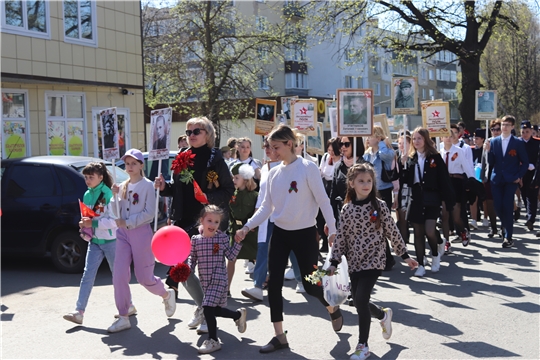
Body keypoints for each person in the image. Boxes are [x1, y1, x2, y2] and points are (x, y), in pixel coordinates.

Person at [234, 124, 340, 354]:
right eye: (269, 147)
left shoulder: (307, 168)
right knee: (274, 286)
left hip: (304, 235)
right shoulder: (273, 173)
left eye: (275, 147)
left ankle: (331, 307)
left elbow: (323, 201)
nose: (271, 151)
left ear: (289, 144)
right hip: (280, 234)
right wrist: (247, 227)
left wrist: (332, 229)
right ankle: (279, 336)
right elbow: (266, 207)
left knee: (312, 287)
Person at [328, 163, 418, 360]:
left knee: (360, 299)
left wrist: (405, 256)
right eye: (361, 181)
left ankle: (363, 345)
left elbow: (392, 232)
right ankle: (383, 315)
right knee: (358, 300)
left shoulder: (380, 206)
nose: (366, 184)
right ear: (351, 183)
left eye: (369, 181)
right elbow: (341, 236)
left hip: (375, 260)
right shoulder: (347, 209)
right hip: (354, 262)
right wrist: (334, 261)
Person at [155, 117, 235, 334]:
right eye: (188, 131)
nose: (191, 135)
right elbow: (178, 189)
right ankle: (203, 307)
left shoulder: (215, 158)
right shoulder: (182, 156)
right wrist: (164, 187)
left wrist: (206, 196)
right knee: (181, 267)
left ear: (207, 134)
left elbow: (228, 191)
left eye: (196, 131)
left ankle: (207, 314)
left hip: (207, 222)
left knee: (208, 273)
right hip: (183, 220)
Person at [108, 149, 176, 333]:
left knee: (144, 278)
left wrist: (128, 222)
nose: (129, 167)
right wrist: (113, 196)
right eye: (127, 163)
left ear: (140, 165)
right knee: (119, 274)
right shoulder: (122, 185)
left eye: (133, 163)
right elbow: (116, 211)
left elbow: (149, 213)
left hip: (141, 233)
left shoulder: (147, 186)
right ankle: (124, 314)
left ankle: (166, 293)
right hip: (123, 234)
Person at [63, 162, 123, 325]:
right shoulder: (87, 195)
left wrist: (92, 224)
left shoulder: (108, 194)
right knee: (87, 275)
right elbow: (89, 217)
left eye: (91, 177)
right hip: (94, 241)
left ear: (101, 177)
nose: (88, 180)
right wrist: (84, 224)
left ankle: (127, 306)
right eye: (86, 177)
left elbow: (114, 222)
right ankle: (79, 312)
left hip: (111, 241)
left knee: (117, 277)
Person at [189, 205, 248, 354]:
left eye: (216, 222)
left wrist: (238, 242)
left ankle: (213, 341)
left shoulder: (221, 238)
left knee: (207, 308)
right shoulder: (195, 240)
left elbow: (231, 256)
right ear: (201, 220)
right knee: (214, 311)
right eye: (209, 220)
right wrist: (186, 269)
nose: (213, 225)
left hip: (219, 280)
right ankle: (238, 315)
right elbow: (192, 259)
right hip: (206, 283)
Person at [402, 127, 455, 277]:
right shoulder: (411, 158)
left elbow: (444, 180)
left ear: (425, 139)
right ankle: (420, 264)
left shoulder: (435, 157)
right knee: (418, 233)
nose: (416, 141)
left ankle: (435, 254)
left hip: (432, 198)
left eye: (419, 138)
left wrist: (447, 200)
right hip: (416, 198)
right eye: (414, 139)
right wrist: (403, 164)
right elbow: (406, 180)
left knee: (430, 230)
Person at [242, 139, 280, 301]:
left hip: (284, 216)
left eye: (270, 146)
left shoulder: (288, 166)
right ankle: (258, 285)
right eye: (265, 146)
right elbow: (263, 195)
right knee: (262, 247)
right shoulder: (265, 167)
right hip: (266, 215)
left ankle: (305, 280)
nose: (266, 149)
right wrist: (254, 216)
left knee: (292, 251)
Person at [484, 115, 528, 248]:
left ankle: (508, 236)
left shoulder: (517, 142)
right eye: (503, 124)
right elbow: (491, 162)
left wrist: (519, 175)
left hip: (511, 179)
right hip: (496, 178)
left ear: (512, 127)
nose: (504, 127)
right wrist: (488, 151)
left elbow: (525, 162)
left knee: (507, 206)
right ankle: (505, 226)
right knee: (497, 206)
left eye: (507, 125)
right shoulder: (494, 141)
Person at [363, 126, 397, 269]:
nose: (368, 139)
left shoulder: (386, 151)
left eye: (371, 136)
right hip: (371, 192)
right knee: (373, 224)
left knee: (383, 224)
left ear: (377, 137)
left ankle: (388, 259)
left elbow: (386, 156)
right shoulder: (367, 154)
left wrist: (382, 142)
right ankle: (384, 258)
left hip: (384, 191)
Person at [439, 129, 475, 254]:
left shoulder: (459, 151)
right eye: (445, 136)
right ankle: (446, 242)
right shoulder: (440, 152)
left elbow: (467, 168)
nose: (448, 138)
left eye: (450, 136)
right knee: (444, 215)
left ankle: (463, 231)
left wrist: (472, 181)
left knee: (455, 216)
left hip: (457, 183)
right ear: (441, 138)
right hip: (444, 183)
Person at [227, 163, 258, 296]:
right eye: (233, 178)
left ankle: (264, 281)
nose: (233, 181)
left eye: (236, 178)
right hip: (235, 231)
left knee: (257, 258)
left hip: (250, 232)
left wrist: (250, 227)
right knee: (231, 259)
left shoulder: (254, 195)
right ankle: (226, 288)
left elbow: (257, 214)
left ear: (245, 179)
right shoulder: (232, 195)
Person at [330, 136, 366, 223]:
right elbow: (333, 194)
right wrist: (330, 219)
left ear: (355, 145)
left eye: (346, 144)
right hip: (342, 216)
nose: (343, 147)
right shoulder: (338, 167)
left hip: (361, 216)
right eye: (341, 144)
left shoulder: (365, 167)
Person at [481, 119, 502, 237]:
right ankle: (493, 227)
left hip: (501, 176)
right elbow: (483, 160)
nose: (495, 132)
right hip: (489, 176)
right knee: (489, 203)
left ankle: (504, 227)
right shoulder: (487, 142)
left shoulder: (504, 142)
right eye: (493, 129)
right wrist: (482, 177)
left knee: (501, 203)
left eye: (498, 129)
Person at [518, 120, 540, 231]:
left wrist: (534, 166)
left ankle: (531, 218)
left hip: (534, 173)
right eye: (523, 132)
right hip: (521, 173)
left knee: (532, 195)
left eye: (527, 131)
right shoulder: (518, 143)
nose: (525, 134)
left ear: (531, 131)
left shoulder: (537, 143)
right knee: (524, 193)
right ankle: (528, 214)